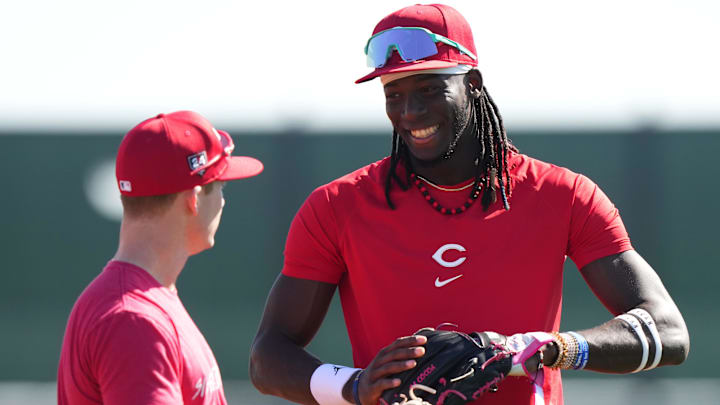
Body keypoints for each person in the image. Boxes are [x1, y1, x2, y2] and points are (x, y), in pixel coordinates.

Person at [249, 4, 689, 405]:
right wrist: (356, 385)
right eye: (394, 94)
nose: (410, 111)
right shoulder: (336, 206)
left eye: (427, 88)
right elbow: (267, 358)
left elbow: (668, 333)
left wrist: (530, 350)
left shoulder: (564, 194)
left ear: (472, 83)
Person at [57, 111, 263, 405]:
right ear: (193, 199)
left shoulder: (142, 302)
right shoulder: (134, 320)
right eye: (220, 186)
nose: (223, 201)